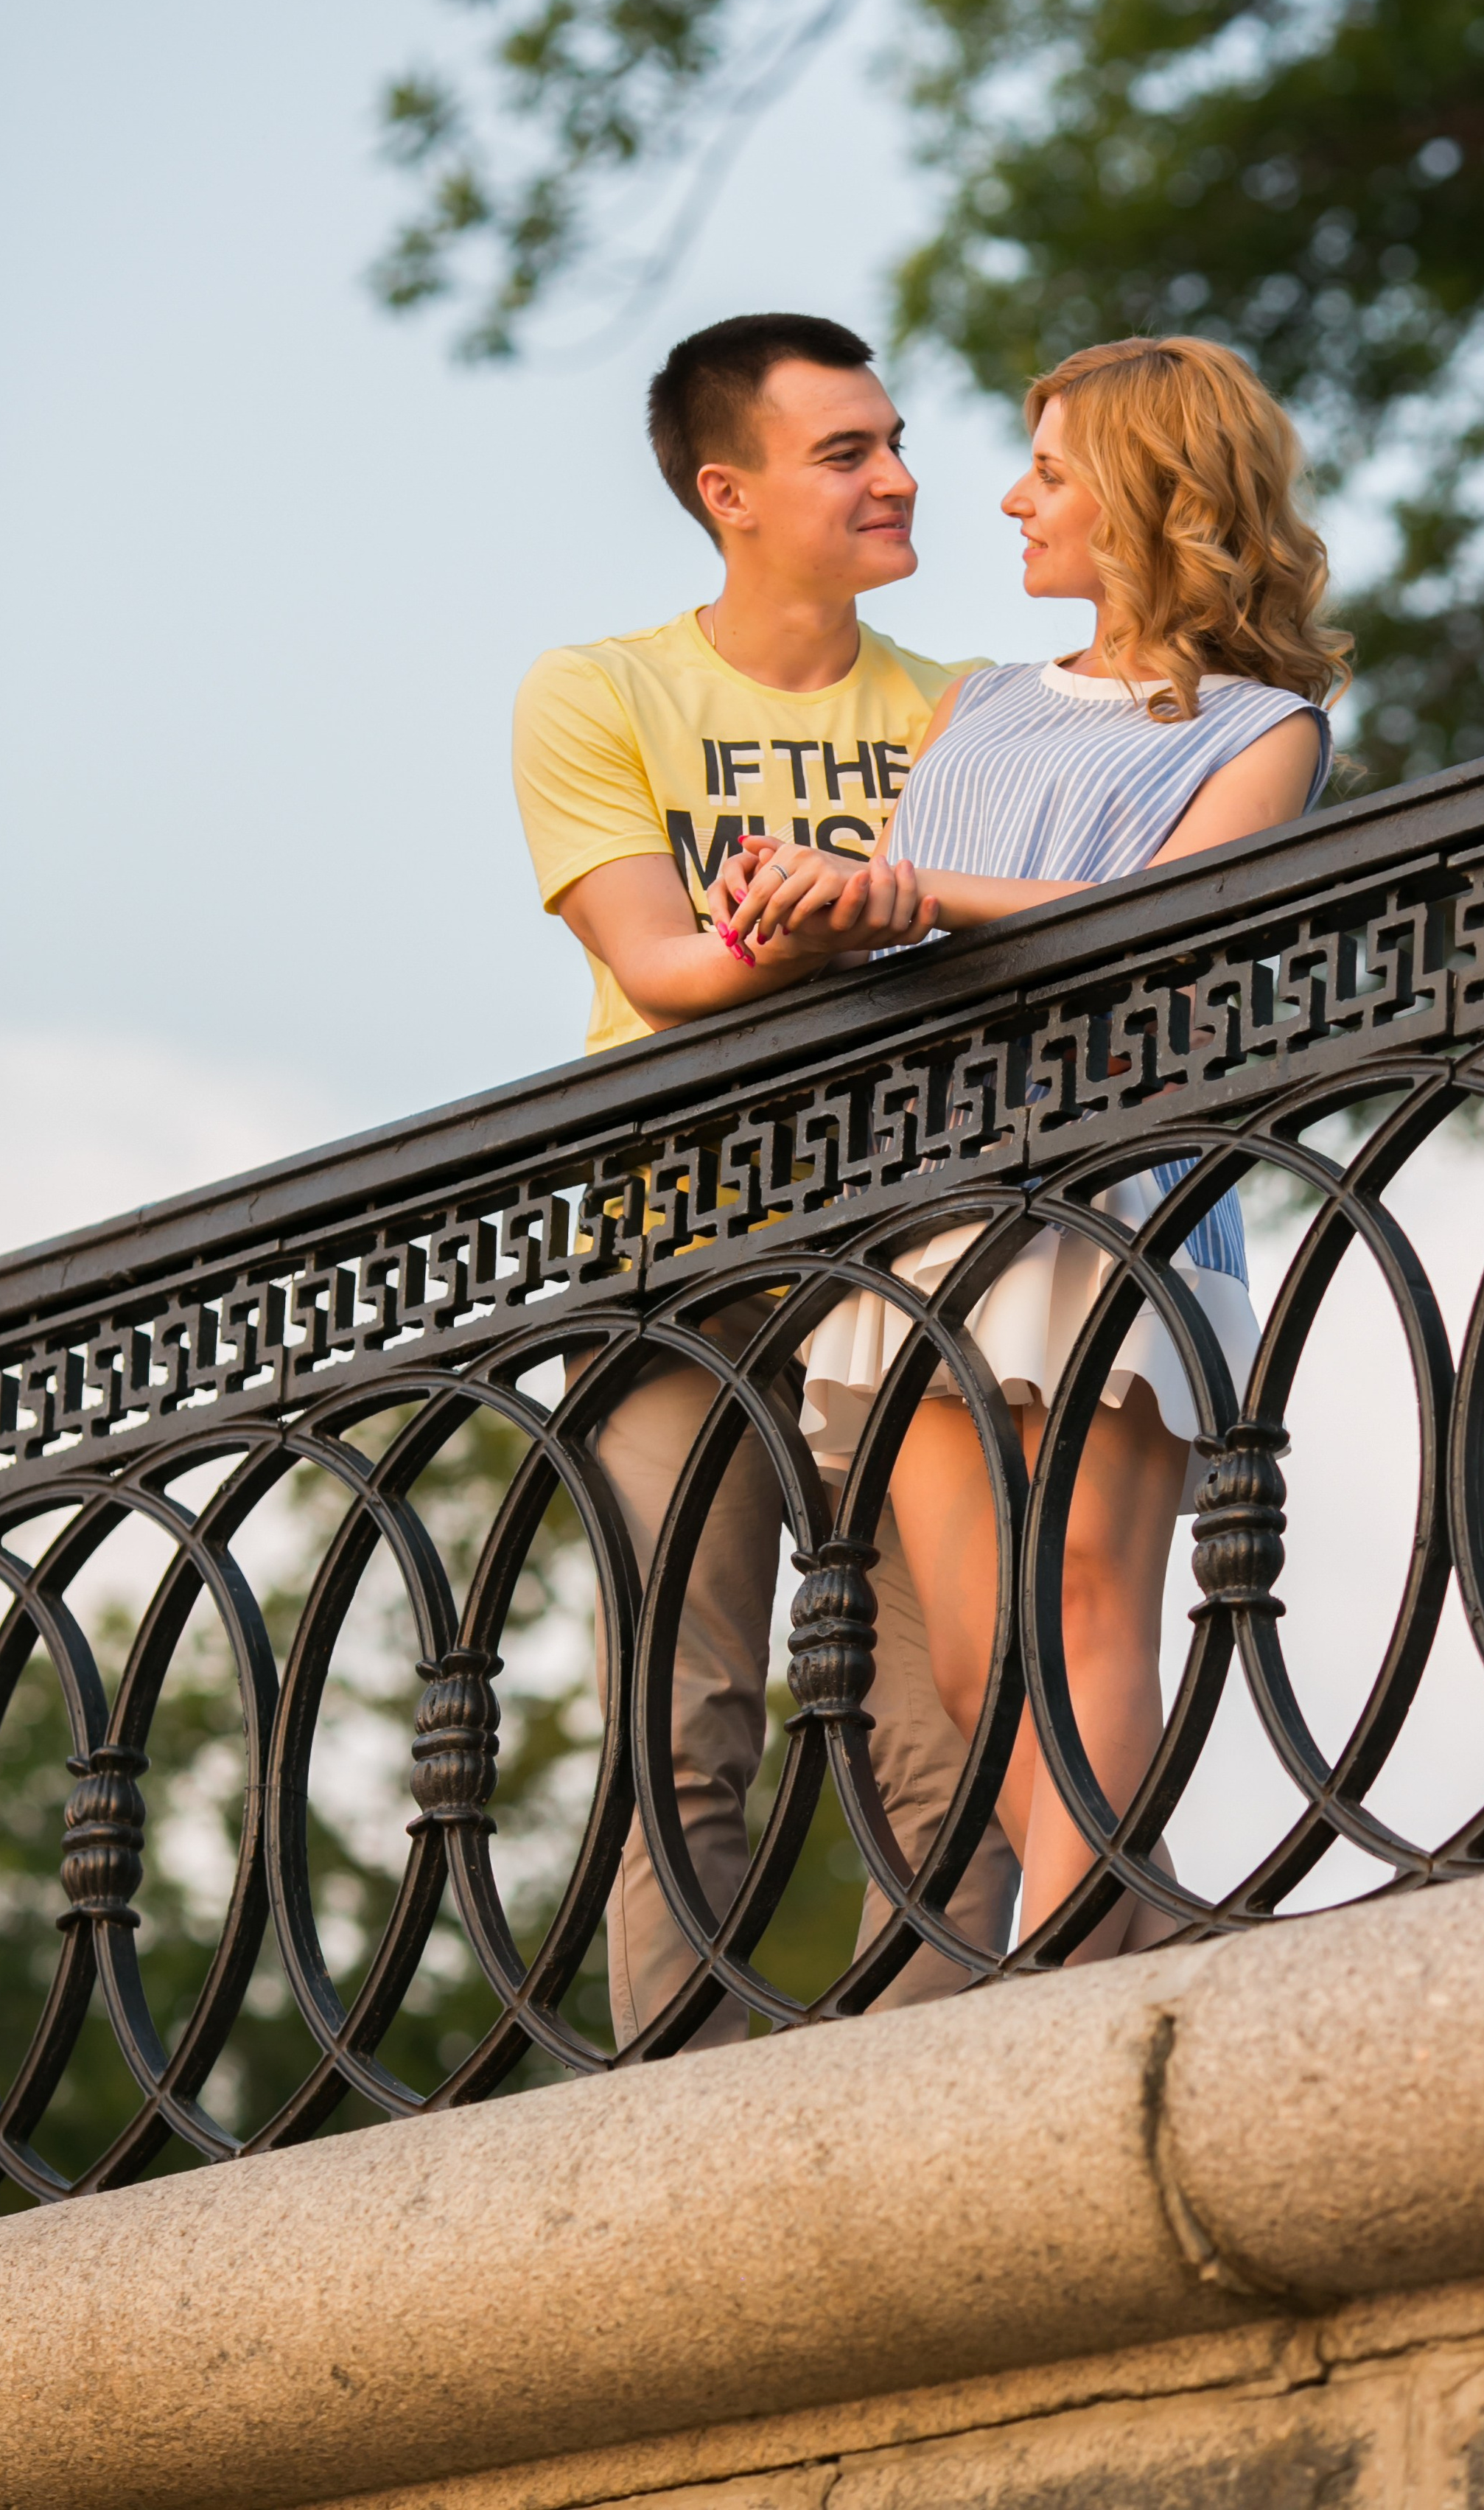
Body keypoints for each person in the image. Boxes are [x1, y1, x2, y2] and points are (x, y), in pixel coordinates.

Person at [715, 334, 1351, 1962]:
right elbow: (897, 914)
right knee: (964, 1660)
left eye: (1052, 470)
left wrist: (914, 894)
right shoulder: (978, 707)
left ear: (1151, 496)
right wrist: (816, 902)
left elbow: (1157, 935)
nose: (1011, 498)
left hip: (1112, 1197)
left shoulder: (1262, 731)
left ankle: (1068, 1981)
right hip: (923, 1206)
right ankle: (1123, 1947)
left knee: (1080, 1607)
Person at [511, 310, 1019, 2046]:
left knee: (941, 1709)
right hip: (677, 1261)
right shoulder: (600, 692)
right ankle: (675, 2117)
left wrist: (875, 907)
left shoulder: (966, 712)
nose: (898, 477)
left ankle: (939, 2085)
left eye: (890, 440)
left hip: (912, 1257)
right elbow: (658, 966)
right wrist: (850, 918)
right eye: (846, 453)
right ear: (728, 493)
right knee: (682, 1720)